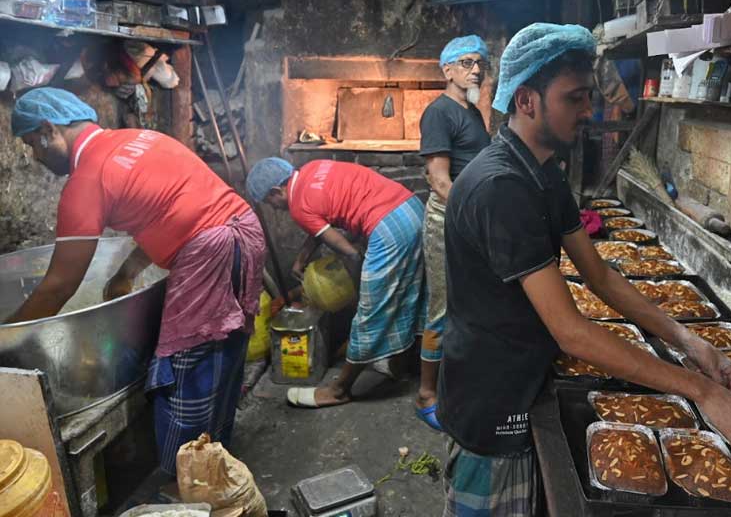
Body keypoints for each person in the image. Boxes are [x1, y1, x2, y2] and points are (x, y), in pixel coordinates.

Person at [438, 24, 731, 516]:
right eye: (574, 99)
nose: (589, 111)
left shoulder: (542, 172)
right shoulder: (500, 187)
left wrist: (688, 341)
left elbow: (600, 277)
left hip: (524, 370)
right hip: (492, 394)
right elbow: (571, 331)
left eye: (587, 96)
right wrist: (700, 392)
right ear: (526, 101)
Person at [6, 87, 266, 476]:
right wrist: (127, 271)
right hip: (242, 229)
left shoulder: (86, 181)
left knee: (183, 374)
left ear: (48, 130)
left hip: (209, 251)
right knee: (222, 356)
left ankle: (188, 485)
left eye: (32, 145)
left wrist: (8, 335)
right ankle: (219, 461)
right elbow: (167, 210)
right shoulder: (139, 139)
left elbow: (59, 286)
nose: (35, 157)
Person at [246, 157, 427, 408]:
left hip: (389, 229)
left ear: (277, 191)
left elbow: (343, 247)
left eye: (270, 202)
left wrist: (359, 275)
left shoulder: (298, 206)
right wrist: (302, 258)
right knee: (409, 293)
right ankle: (399, 364)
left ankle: (339, 389)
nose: (274, 208)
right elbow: (319, 223)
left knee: (370, 310)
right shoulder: (313, 168)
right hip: (412, 210)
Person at [416, 34, 492, 431]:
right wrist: (474, 217)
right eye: (465, 62)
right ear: (446, 69)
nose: (475, 69)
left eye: (479, 63)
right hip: (448, 218)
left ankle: (456, 383)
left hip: (471, 217)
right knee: (443, 306)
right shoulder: (439, 113)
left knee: (469, 304)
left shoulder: (474, 112)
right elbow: (440, 181)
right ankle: (427, 394)